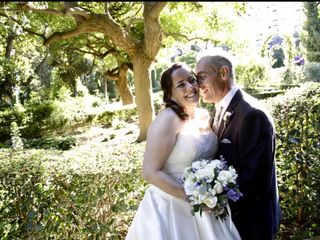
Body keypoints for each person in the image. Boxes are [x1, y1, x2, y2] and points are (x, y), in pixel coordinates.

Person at [126, 63, 241, 240]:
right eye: (180, 84)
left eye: (192, 80)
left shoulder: (204, 115)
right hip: (171, 207)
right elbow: (149, 172)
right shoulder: (167, 120)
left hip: (207, 204)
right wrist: (194, 198)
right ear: (170, 93)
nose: (190, 87)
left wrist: (212, 191)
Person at [195, 53, 281, 240]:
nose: (197, 85)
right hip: (230, 221)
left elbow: (254, 179)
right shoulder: (218, 110)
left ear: (224, 73)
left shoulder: (252, 114)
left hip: (251, 223)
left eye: (201, 77)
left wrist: (213, 198)